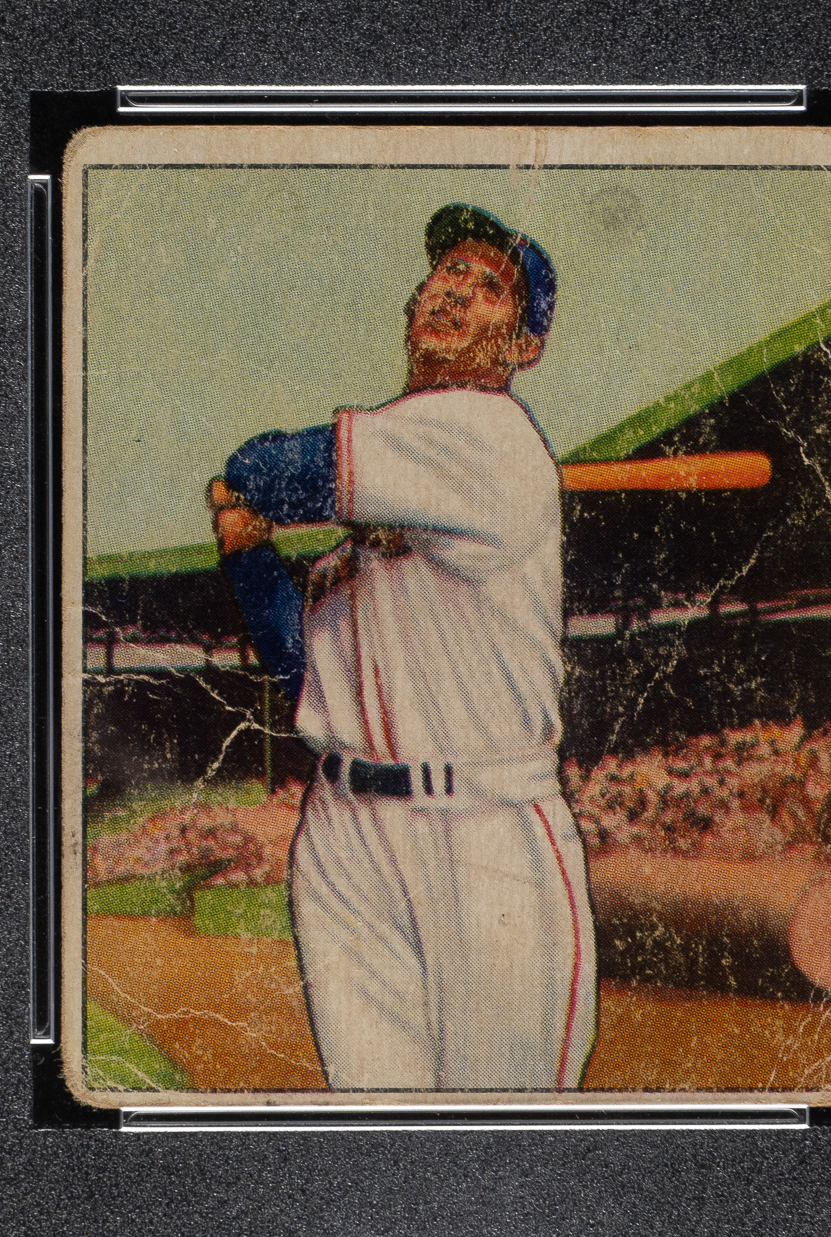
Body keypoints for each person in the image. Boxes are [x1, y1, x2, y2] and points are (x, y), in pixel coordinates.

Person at [206, 203, 596, 1092]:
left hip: (483, 829)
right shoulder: (377, 509)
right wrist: (248, 554)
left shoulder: (486, 435)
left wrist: (250, 491)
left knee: (503, 1130)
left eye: (490, 287)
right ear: (414, 298)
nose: (457, 290)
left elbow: (262, 466)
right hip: (343, 830)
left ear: (524, 346)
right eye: (449, 271)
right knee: (375, 1127)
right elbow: (300, 675)